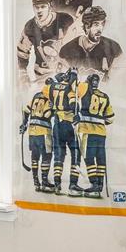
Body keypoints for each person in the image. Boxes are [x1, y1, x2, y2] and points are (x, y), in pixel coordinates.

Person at [15, 0, 72, 81]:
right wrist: (23, 75)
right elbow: (22, 52)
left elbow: (77, 41)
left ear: (50, 6)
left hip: (65, 74)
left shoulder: (66, 19)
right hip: (42, 77)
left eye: (43, 6)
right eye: (36, 7)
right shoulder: (29, 26)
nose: (39, 10)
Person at [74, 73, 115, 198]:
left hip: (87, 130)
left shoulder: (84, 88)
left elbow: (74, 88)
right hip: (101, 132)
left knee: (89, 158)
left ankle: (94, 185)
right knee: (100, 158)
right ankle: (100, 185)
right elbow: (110, 118)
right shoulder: (104, 96)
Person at [58, 5, 123, 79]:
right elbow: (63, 77)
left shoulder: (114, 48)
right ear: (87, 26)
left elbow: (117, 79)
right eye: (96, 24)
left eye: (102, 24)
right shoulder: (66, 51)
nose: (100, 29)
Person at [46, 67, 83, 195]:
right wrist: (76, 112)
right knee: (76, 153)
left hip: (57, 124)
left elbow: (49, 98)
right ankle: (73, 184)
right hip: (68, 124)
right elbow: (73, 103)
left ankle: (57, 184)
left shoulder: (52, 87)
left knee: (58, 155)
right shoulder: (69, 87)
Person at [20, 81, 56, 191]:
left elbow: (26, 110)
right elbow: (46, 115)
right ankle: (44, 182)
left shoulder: (36, 96)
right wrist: (54, 110)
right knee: (46, 156)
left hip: (32, 132)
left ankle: (36, 183)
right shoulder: (51, 98)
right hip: (43, 132)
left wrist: (24, 124)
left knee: (35, 157)